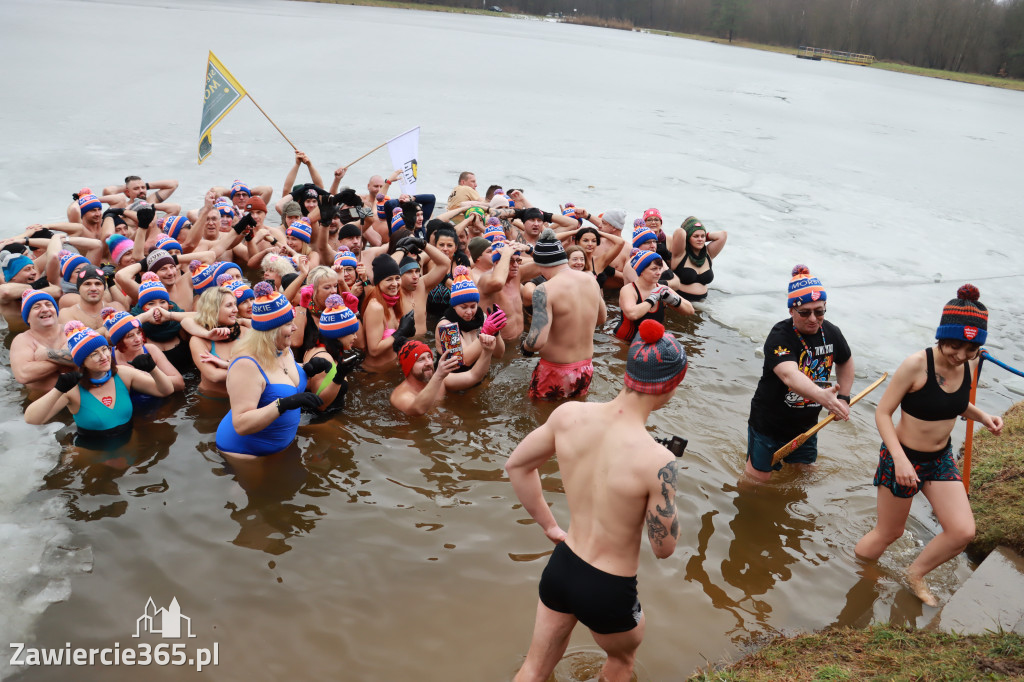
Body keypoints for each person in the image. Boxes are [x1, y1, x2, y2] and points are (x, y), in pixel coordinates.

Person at [505, 319, 686, 682]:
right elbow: (663, 548)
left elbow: (517, 466)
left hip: (563, 565)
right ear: (669, 386)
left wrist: (550, 526)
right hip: (609, 587)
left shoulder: (570, 414)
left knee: (535, 669)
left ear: (628, 372)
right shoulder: (658, 460)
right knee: (621, 663)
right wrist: (665, 489)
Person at [854, 285, 1002, 606]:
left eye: (971, 348)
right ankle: (858, 573)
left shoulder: (970, 364)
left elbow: (952, 403)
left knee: (963, 532)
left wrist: (983, 416)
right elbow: (883, 413)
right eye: (954, 346)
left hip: (939, 460)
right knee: (889, 533)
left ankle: (914, 573)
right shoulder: (915, 365)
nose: (961, 355)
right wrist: (900, 460)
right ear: (941, 336)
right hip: (902, 459)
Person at [745, 266, 854, 481]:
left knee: (803, 480)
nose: (813, 318)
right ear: (791, 311)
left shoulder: (831, 332)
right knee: (756, 483)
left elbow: (846, 360)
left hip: (806, 427)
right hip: (769, 425)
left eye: (820, 311)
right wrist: (821, 396)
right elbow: (789, 375)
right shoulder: (780, 335)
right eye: (805, 312)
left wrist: (844, 397)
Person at [216, 282, 324, 460]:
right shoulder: (246, 364)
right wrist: (282, 405)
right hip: (245, 452)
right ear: (272, 331)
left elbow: (282, 377)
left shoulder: (283, 347)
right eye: (289, 324)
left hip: (281, 445)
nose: (295, 328)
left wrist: (308, 368)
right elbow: (241, 424)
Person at [24, 321, 174, 448]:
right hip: (91, 453)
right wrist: (58, 390)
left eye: (105, 349)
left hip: (130, 443)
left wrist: (153, 370)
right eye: (94, 354)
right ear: (82, 362)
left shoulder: (123, 374)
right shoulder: (72, 389)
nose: (104, 357)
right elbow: (32, 419)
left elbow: (166, 390)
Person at [522, 229, 607, 401]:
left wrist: (525, 347)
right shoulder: (591, 279)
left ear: (540, 264)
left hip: (556, 370)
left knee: (543, 418)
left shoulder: (544, 289)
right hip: (586, 367)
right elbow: (601, 319)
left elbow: (537, 341)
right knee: (575, 417)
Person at [389, 337, 498, 417]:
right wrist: (438, 376)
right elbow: (418, 410)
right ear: (409, 367)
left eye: (429, 357)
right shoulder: (400, 395)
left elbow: (474, 376)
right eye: (421, 360)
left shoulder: (440, 379)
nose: (428, 363)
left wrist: (487, 351)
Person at [614, 250, 693, 342]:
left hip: (652, 341)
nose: (659, 273)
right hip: (625, 341)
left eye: (660, 268)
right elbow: (632, 314)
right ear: (641, 271)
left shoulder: (663, 289)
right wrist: (652, 298)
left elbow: (690, 310)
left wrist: (674, 301)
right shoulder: (628, 290)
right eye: (654, 269)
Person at [669, 217, 727, 302]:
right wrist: (690, 234)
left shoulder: (708, 253)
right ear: (688, 237)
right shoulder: (680, 254)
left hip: (702, 304)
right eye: (695, 236)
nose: (700, 239)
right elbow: (679, 233)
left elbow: (723, 235)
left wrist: (702, 236)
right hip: (680, 303)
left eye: (702, 236)